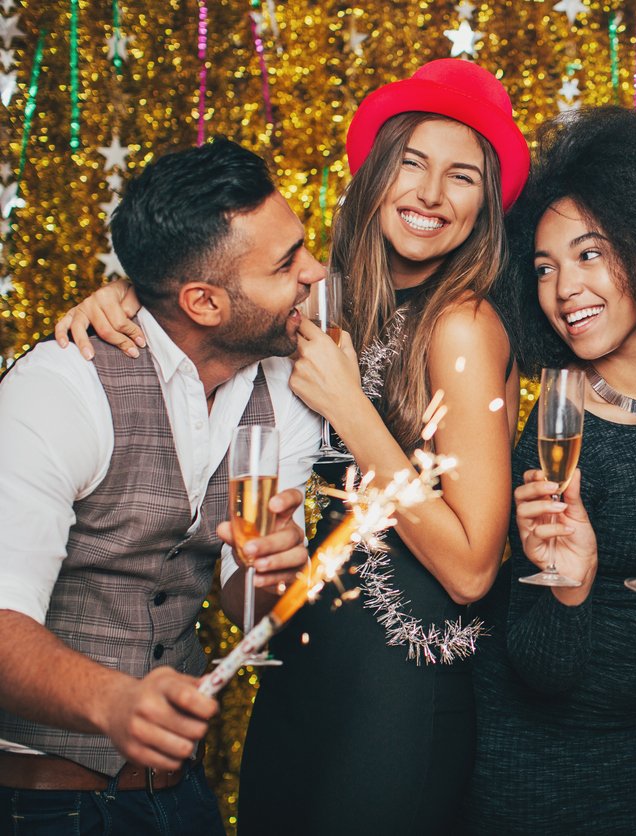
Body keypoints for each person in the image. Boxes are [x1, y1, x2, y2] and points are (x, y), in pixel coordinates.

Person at [55, 59, 530, 834]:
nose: (431, 195)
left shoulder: (463, 325)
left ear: (485, 207)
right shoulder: (323, 298)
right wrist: (129, 295)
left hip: (397, 695)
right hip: (301, 673)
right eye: (411, 162)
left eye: (462, 177)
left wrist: (352, 409)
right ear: (375, 173)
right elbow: (211, 291)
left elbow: (475, 565)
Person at [0, 138, 323, 835]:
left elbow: (245, 604)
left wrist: (271, 569)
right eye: (287, 263)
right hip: (41, 803)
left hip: (181, 800)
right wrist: (114, 704)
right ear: (204, 302)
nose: (315, 271)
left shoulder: (286, 391)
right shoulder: (61, 389)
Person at [458, 106, 636, 835]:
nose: (562, 288)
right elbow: (540, 669)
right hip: (530, 769)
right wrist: (570, 590)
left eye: (589, 254)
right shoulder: (552, 426)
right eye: (544, 268)